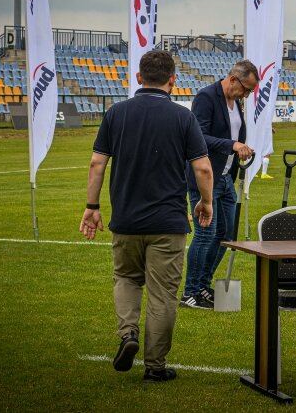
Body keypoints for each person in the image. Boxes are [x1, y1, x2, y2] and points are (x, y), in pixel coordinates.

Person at [79, 51, 214, 382]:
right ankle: (155, 366)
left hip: (126, 220)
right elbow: (203, 167)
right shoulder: (183, 118)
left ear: (138, 78)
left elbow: (97, 163)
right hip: (167, 223)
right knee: (163, 295)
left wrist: (92, 207)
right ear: (172, 80)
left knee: (126, 278)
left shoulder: (116, 113)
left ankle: (128, 334)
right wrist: (206, 203)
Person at [181, 60, 259, 309]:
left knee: (225, 235)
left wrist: (240, 147)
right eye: (246, 89)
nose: (247, 95)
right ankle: (190, 293)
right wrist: (232, 145)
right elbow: (198, 136)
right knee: (205, 235)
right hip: (205, 178)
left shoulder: (236, 103)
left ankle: (203, 286)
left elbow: (235, 134)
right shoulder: (206, 97)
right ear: (234, 79)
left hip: (225, 177)